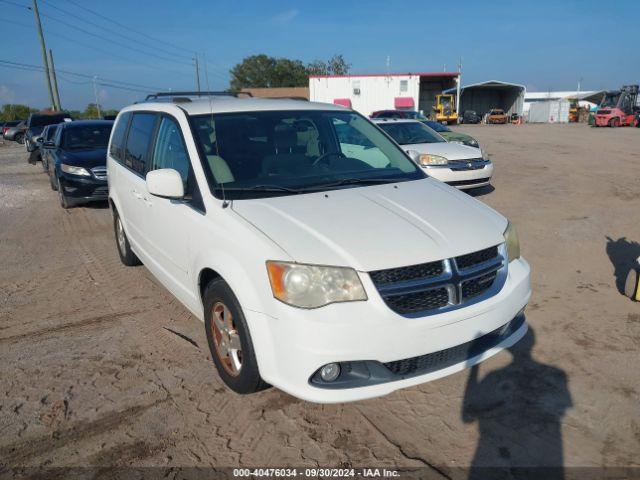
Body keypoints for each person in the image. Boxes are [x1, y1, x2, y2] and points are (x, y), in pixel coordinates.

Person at [462, 327, 572, 479]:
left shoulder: (494, 377)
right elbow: (563, 407)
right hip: (539, 448)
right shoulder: (556, 374)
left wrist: (475, 367)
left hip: (503, 447)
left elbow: (468, 417)